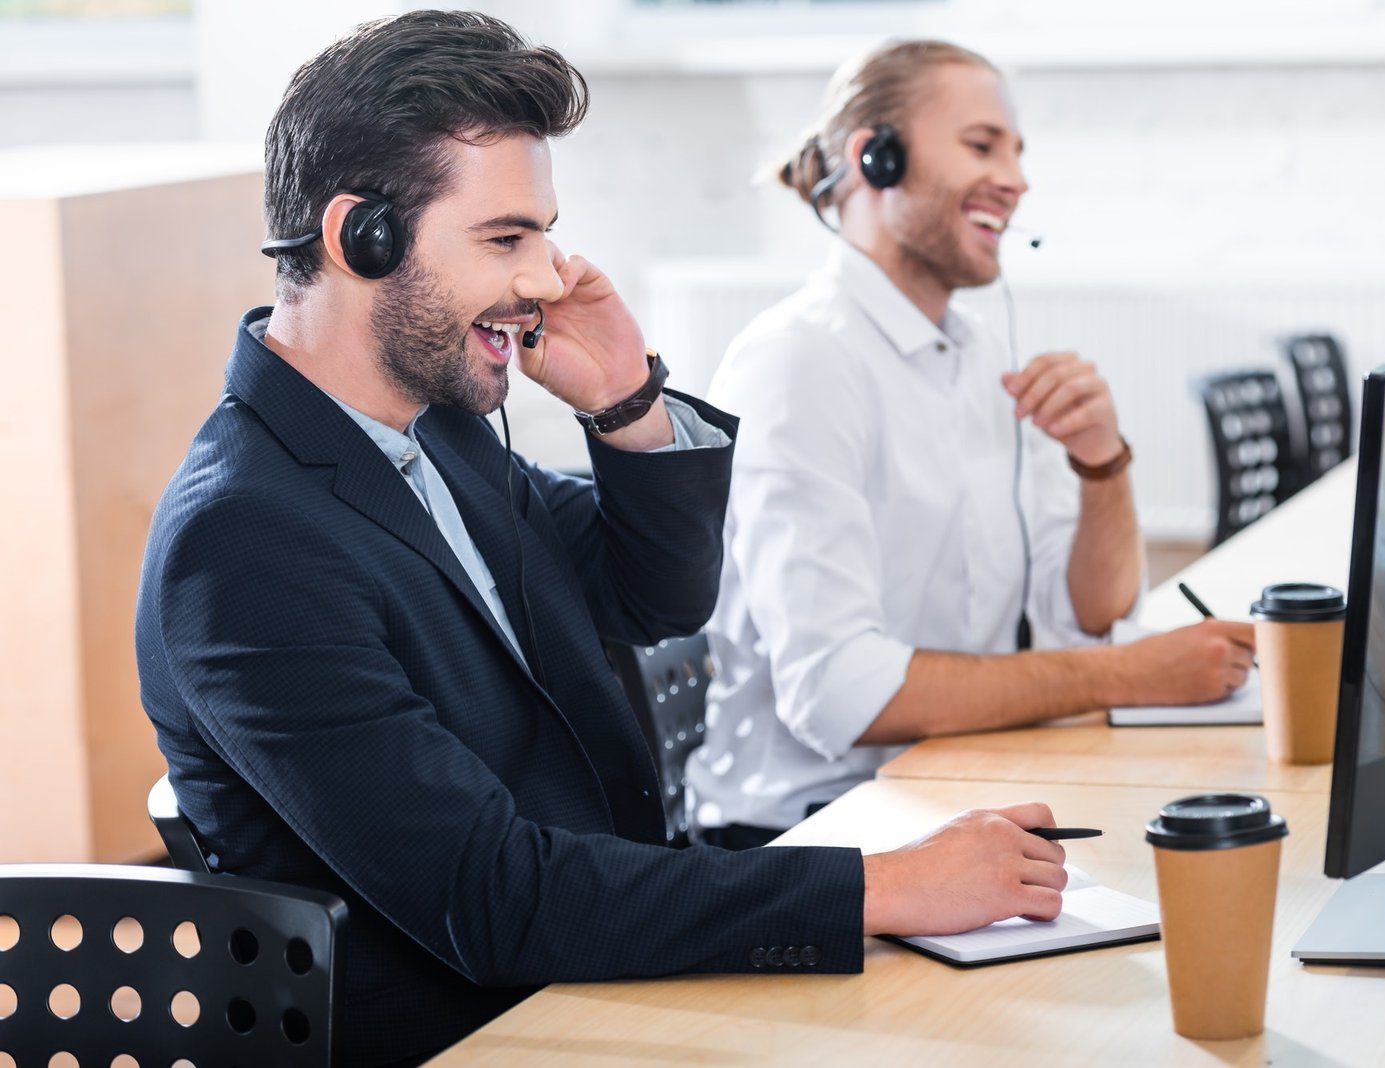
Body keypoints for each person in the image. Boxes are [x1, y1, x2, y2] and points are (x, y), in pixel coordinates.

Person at [134, 13, 1073, 1067]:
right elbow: (493, 897)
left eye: (541, 233)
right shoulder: (245, 543)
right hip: (487, 1034)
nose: (543, 279)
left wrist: (627, 404)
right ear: (363, 235)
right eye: (504, 239)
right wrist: (883, 886)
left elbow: (654, 598)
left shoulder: (436, 437)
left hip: (602, 982)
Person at [689, 40, 1257, 848]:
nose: (1017, 179)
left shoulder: (979, 351)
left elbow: (1085, 616)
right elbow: (841, 695)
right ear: (875, 157)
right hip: (809, 836)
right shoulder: (802, 360)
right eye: (982, 145)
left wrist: (1103, 464)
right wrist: (1132, 673)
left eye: (1017, 153)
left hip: (947, 787)